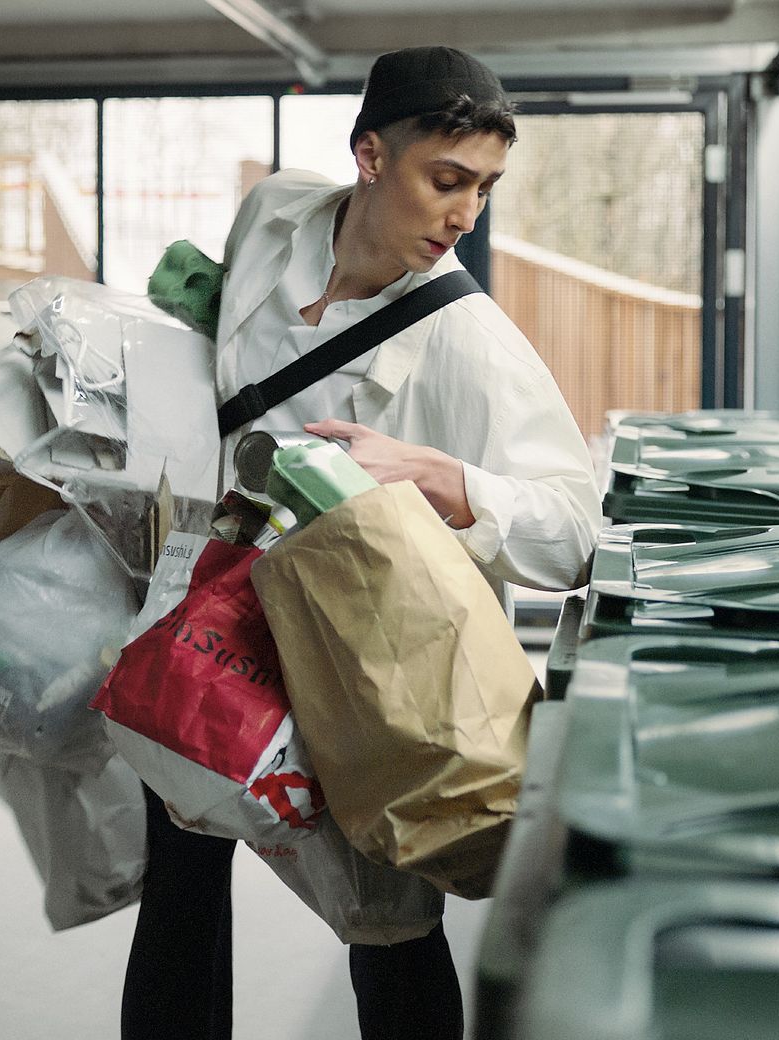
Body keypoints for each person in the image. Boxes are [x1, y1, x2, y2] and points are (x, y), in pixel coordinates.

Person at [120, 45, 600, 1040]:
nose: (467, 213)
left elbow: (575, 529)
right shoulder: (274, 214)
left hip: (364, 655)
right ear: (370, 155)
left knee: (387, 924)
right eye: (448, 179)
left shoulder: (466, 337)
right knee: (181, 872)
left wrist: (445, 476)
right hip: (212, 611)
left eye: (485, 187)